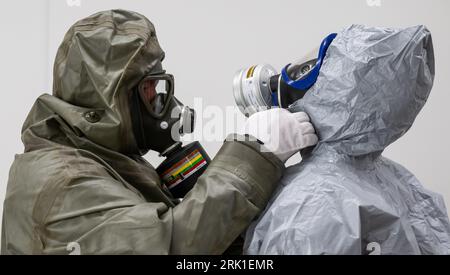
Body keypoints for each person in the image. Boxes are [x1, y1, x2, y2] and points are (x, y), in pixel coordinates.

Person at [1, 10, 318, 255]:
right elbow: (169, 246)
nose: (169, 105)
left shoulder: (110, 161)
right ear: (110, 101)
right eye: (151, 89)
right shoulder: (62, 180)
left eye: (161, 84)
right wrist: (251, 157)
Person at [244, 25, 450, 255]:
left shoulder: (310, 204)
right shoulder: (398, 180)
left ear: (338, 93)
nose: (290, 78)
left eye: (311, 69)